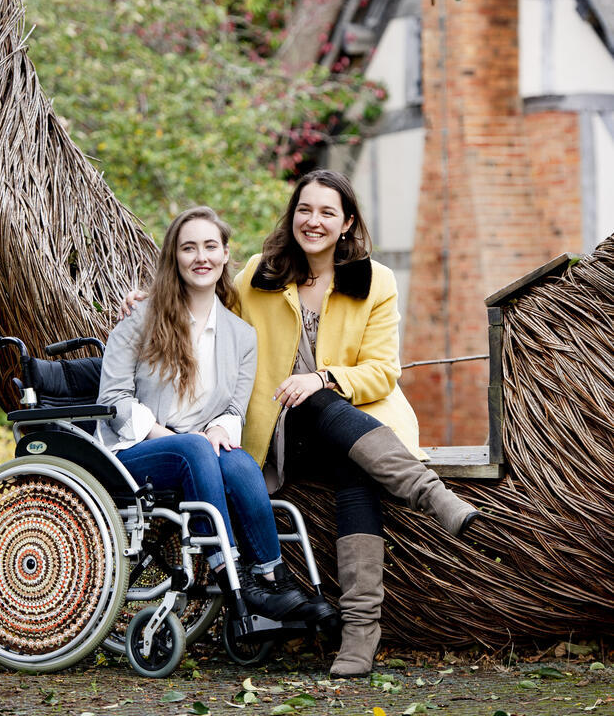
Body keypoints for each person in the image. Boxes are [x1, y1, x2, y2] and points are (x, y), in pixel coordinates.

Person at [119, 174, 479, 677]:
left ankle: (359, 634)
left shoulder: (375, 281)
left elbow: (383, 371)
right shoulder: (258, 275)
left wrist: (324, 377)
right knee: (309, 403)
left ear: (347, 222)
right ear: (292, 217)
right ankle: (427, 491)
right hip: (280, 431)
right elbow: (205, 309)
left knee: (353, 465)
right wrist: (149, 301)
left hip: (355, 426)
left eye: (328, 212)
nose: (314, 221)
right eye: (304, 210)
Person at [99, 205, 334, 628]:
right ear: (175, 257)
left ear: (226, 254)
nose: (200, 257)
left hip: (200, 451)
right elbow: (114, 398)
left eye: (210, 246)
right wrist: (159, 432)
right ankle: (235, 579)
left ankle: (272, 580)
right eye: (189, 248)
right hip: (135, 454)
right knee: (193, 448)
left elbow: (233, 408)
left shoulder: (241, 336)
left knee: (241, 461)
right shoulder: (141, 320)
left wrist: (221, 429)